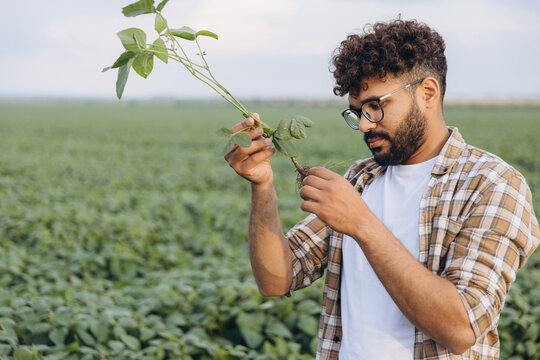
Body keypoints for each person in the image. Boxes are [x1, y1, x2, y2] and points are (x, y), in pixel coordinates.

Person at [224, 18, 540, 360]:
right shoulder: (361, 179)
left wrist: (362, 224)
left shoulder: (492, 185)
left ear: (427, 93)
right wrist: (263, 186)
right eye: (357, 111)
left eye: (376, 106)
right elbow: (277, 280)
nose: (363, 124)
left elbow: (460, 328)